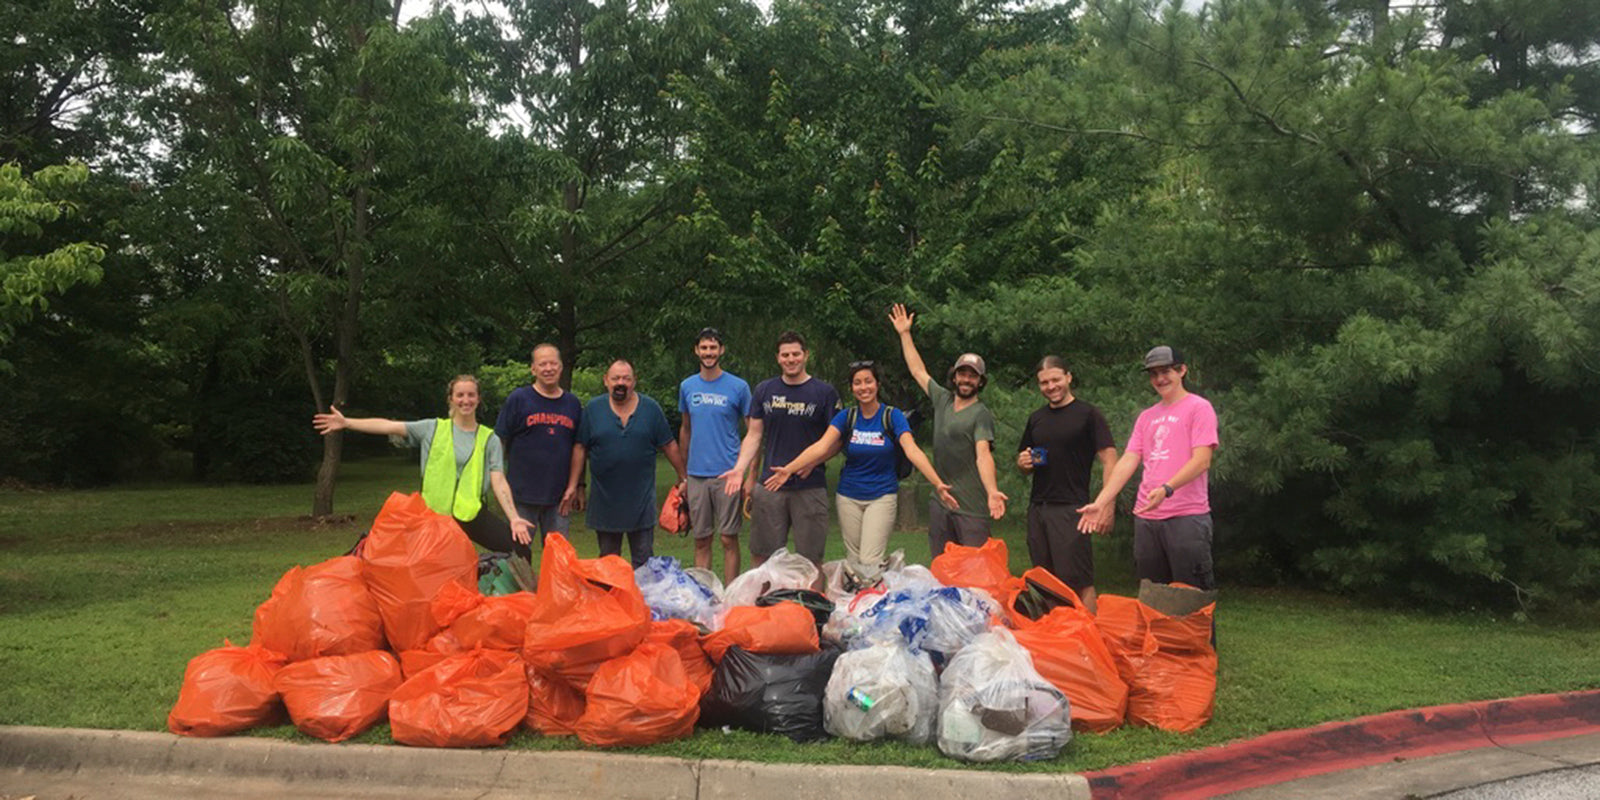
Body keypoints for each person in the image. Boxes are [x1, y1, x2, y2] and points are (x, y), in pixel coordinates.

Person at [764, 360, 956, 582]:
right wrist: (789, 469)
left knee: (869, 560)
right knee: (854, 563)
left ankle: (879, 586)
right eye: (857, 383)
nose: (863, 387)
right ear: (851, 388)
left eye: (868, 381)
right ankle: (858, 609)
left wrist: (937, 482)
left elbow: (912, 450)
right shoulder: (847, 417)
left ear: (877, 384)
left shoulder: (892, 416)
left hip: (881, 496)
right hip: (848, 496)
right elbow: (821, 446)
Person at [312, 375, 533, 559]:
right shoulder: (431, 428)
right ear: (451, 399)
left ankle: (514, 604)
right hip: (432, 516)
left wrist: (514, 518)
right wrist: (347, 422)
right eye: (460, 395)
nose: (466, 400)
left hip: (471, 515)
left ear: (478, 399)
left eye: (471, 395)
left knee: (521, 549)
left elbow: (499, 480)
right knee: (394, 557)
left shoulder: (489, 438)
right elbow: (389, 425)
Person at [1078, 346, 1219, 591]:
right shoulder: (1147, 417)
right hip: (1146, 520)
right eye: (1153, 374)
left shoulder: (1199, 407)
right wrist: (1101, 502)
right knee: (1153, 601)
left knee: (1192, 603)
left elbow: (1202, 460)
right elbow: (1128, 461)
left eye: (1165, 371)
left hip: (1186, 518)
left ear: (1182, 370)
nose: (1160, 379)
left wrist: (1167, 489)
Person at [889, 303, 1007, 558]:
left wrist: (992, 491)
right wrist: (905, 334)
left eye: (972, 376)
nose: (966, 380)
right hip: (941, 503)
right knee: (942, 568)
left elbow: (983, 454)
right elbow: (918, 371)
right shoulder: (942, 399)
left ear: (980, 382)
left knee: (974, 573)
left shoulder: (980, 414)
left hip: (971, 508)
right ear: (954, 377)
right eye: (962, 374)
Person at [723, 331, 840, 566]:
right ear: (778, 358)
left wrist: (814, 462)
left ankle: (809, 603)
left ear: (805, 355)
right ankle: (764, 602)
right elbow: (754, 435)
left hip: (809, 487)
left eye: (796, 354)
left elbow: (836, 441)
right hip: (769, 487)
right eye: (785, 355)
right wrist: (739, 469)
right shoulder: (764, 390)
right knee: (762, 556)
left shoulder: (825, 392)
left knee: (811, 559)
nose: (791, 359)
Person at [1016, 356, 1118, 612]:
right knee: (1046, 581)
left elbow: (1110, 460)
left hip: (1072, 508)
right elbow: (1025, 460)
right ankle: (1060, 638)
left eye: (1056, 380)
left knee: (1080, 581)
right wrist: (1024, 462)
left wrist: (1106, 505)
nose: (1051, 386)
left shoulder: (1087, 414)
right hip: (1039, 507)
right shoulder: (1037, 418)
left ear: (1068, 377)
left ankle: (1089, 642)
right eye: (1044, 382)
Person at [568, 359, 687, 568]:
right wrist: (576, 485)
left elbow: (669, 445)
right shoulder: (593, 410)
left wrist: (683, 477)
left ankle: (640, 601)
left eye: (626, 378)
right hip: (605, 502)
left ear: (634, 382)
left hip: (640, 502)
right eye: (615, 378)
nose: (620, 383)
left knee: (644, 563)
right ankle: (610, 601)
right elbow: (580, 448)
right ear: (606, 381)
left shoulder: (651, 409)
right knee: (608, 563)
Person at [678, 327, 752, 585]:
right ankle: (704, 593)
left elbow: (754, 432)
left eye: (713, 348)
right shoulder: (687, 386)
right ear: (696, 351)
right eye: (704, 348)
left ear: (721, 350)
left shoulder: (739, 387)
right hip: (697, 474)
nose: (708, 353)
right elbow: (685, 428)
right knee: (702, 539)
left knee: (728, 538)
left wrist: (748, 475)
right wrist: (683, 474)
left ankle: (731, 594)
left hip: (728, 473)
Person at [493, 343, 583, 547]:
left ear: (561, 367)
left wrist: (574, 486)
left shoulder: (573, 403)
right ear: (533, 369)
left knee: (558, 559)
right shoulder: (519, 399)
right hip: (521, 496)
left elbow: (578, 447)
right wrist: (498, 479)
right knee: (518, 556)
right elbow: (499, 440)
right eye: (543, 364)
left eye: (553, 363)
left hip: (559, 498)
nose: (548, 368)